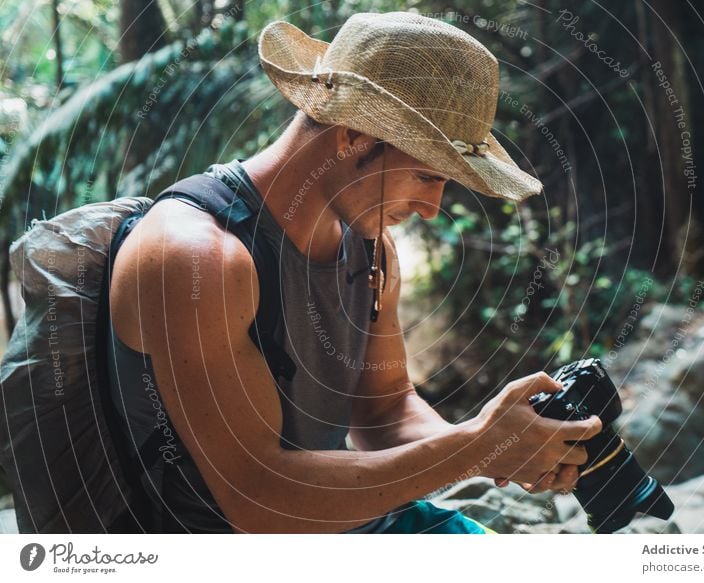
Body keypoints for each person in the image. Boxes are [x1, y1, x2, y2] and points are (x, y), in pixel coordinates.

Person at [106, 11, 602, 533]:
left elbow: (386, 413)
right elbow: (259, 500)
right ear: (351, 137)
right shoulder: (196, 257)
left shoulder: (372, 251)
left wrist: (503, 449)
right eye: (428, 175)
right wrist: (473, 446)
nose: (434, 208)